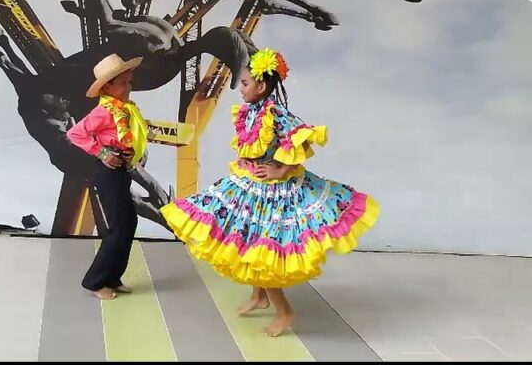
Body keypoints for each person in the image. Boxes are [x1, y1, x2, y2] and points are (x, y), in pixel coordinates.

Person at [161, 48, 380, 337]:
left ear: (261, 86)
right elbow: (250, 145)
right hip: (250, 183)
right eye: (241, 83)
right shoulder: (250, 112)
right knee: (248, 239)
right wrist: (247, 161)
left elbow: (300, 140)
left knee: (263, 249)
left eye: (245, 84)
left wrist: (280, 170)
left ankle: (285, 310)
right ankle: (259, 296)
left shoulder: (275, 114)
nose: (241, 88)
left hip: (273, 192)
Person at [66, 54, 150, 301]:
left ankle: (112, 277)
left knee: (128, 223)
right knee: (119, 226)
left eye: (129, 82)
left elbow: (132, 136)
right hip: (106, 172)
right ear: (107, 88)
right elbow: (75, 134)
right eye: (123, 83)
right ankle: (94, 280)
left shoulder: (125, 111)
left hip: (120, 169)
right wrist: (102, 152)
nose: (128, 88)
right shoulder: (104, 112)